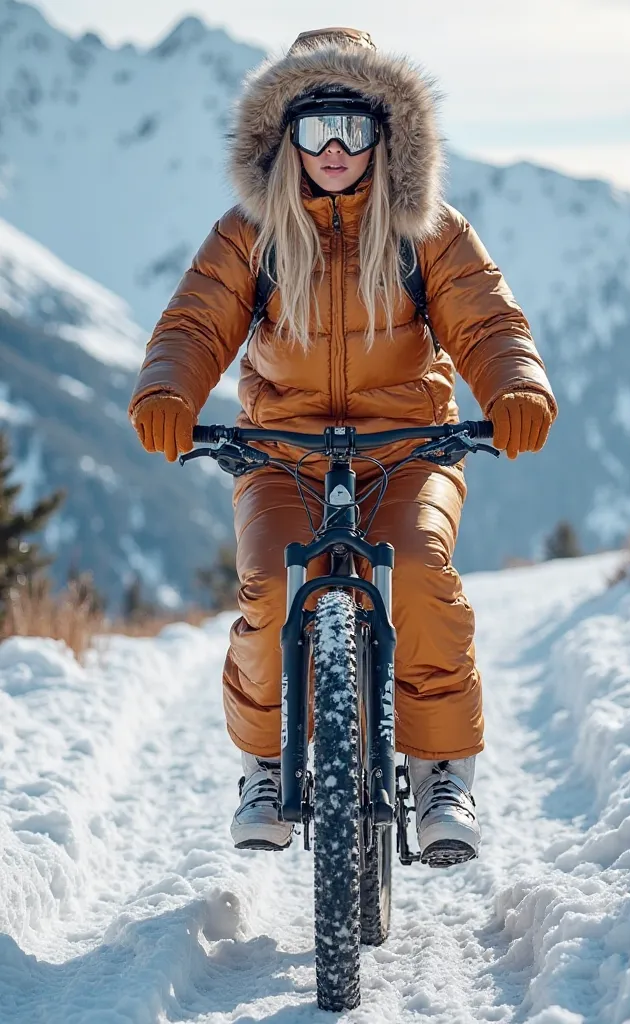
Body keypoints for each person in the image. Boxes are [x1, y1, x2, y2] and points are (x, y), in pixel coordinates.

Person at [129, 27, 557, 867]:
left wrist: (513, 386)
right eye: (314, 128)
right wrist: (169, 389)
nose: (333, 148)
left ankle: (439, 772)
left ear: (386, 136)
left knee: (420, 572)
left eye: (353, 129)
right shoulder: (248, 233)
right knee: (267, 583)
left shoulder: (425, 230)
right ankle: (263, 763)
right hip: (280, 453)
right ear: (282, 138)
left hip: (409, 448)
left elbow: (488, 318)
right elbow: (195, 321)